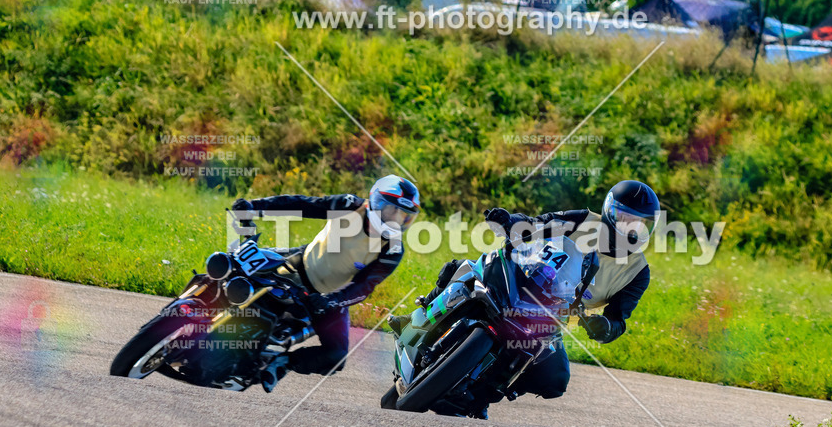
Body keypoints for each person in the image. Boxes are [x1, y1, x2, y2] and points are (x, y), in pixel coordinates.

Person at [390, 180, 658, 414]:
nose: (631, 229)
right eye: (625, 218)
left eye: (640, 223)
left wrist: (606, 328)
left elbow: (618, 319)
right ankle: (415, 322)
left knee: (555, 379)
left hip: (554, 315)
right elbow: (538, 223)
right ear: (610, 212)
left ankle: (481, 396)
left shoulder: (638, 272)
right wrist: (510, 220)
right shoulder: (584, 220)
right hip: (526, 276)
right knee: (460, 268)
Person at [232, 175, 420, 392]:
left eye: (404, 215)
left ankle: (282, 364)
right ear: (376, 202)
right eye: (391, 211)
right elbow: (303, 205)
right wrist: (255, 207)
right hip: (296, 265)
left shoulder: (393, 250)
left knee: (336, 355)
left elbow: (364, 287)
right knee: (237, 264)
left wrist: (331, 301)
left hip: (327, 297)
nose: (395, 219)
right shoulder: (349, 206)